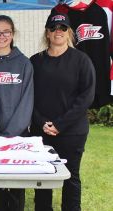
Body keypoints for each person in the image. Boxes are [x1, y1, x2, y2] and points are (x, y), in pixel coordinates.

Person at [30, 11, 95, 211]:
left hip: (72, 131)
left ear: (69, 33)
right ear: (47, 33)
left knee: (71, 177)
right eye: (53, 28)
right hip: (41, 131)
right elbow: (28, 97)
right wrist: (42, 123)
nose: (58, 31)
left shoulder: (82, 60)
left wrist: (60, 124)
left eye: (63, 28)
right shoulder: (35, 61)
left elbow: (86, 96)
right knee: (42, 179)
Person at [0, 15, 34, 211]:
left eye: (6, 32)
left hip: (17, 134)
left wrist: (11, 134)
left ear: (12, 34)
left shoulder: (24, 64)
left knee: (15, 187)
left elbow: (27, 101)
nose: (2, 36)